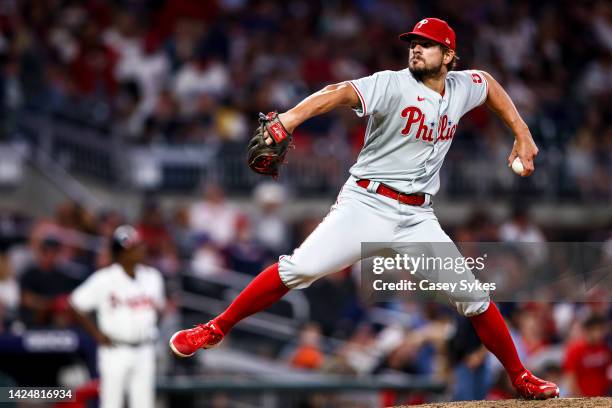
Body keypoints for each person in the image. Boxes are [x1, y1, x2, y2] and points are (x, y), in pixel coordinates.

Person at [170, 18, 559, 399]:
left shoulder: (461, 86)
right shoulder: (391, 83)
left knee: (472, 297)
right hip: (366, 203)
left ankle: (521, 376)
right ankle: (215, 329)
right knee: (300, 267)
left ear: (448, 55)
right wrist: (289, 119)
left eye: (427, 44)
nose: (417, 48)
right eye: (413, 43)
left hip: (417, 218)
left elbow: (489, 84)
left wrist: (522, 132)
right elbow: (338, 92)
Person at [70, 225, 165, 408]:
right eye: (133, 248)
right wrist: (96, 334)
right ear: (120, 253)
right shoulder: (104, 279)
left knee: (144, 404)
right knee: (111, 403)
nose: (139, 250)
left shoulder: (153, 277)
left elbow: (159, 309)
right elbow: (75, 304)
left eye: (139, 246)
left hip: (145, 348)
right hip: (115, 349)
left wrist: (151, 328)